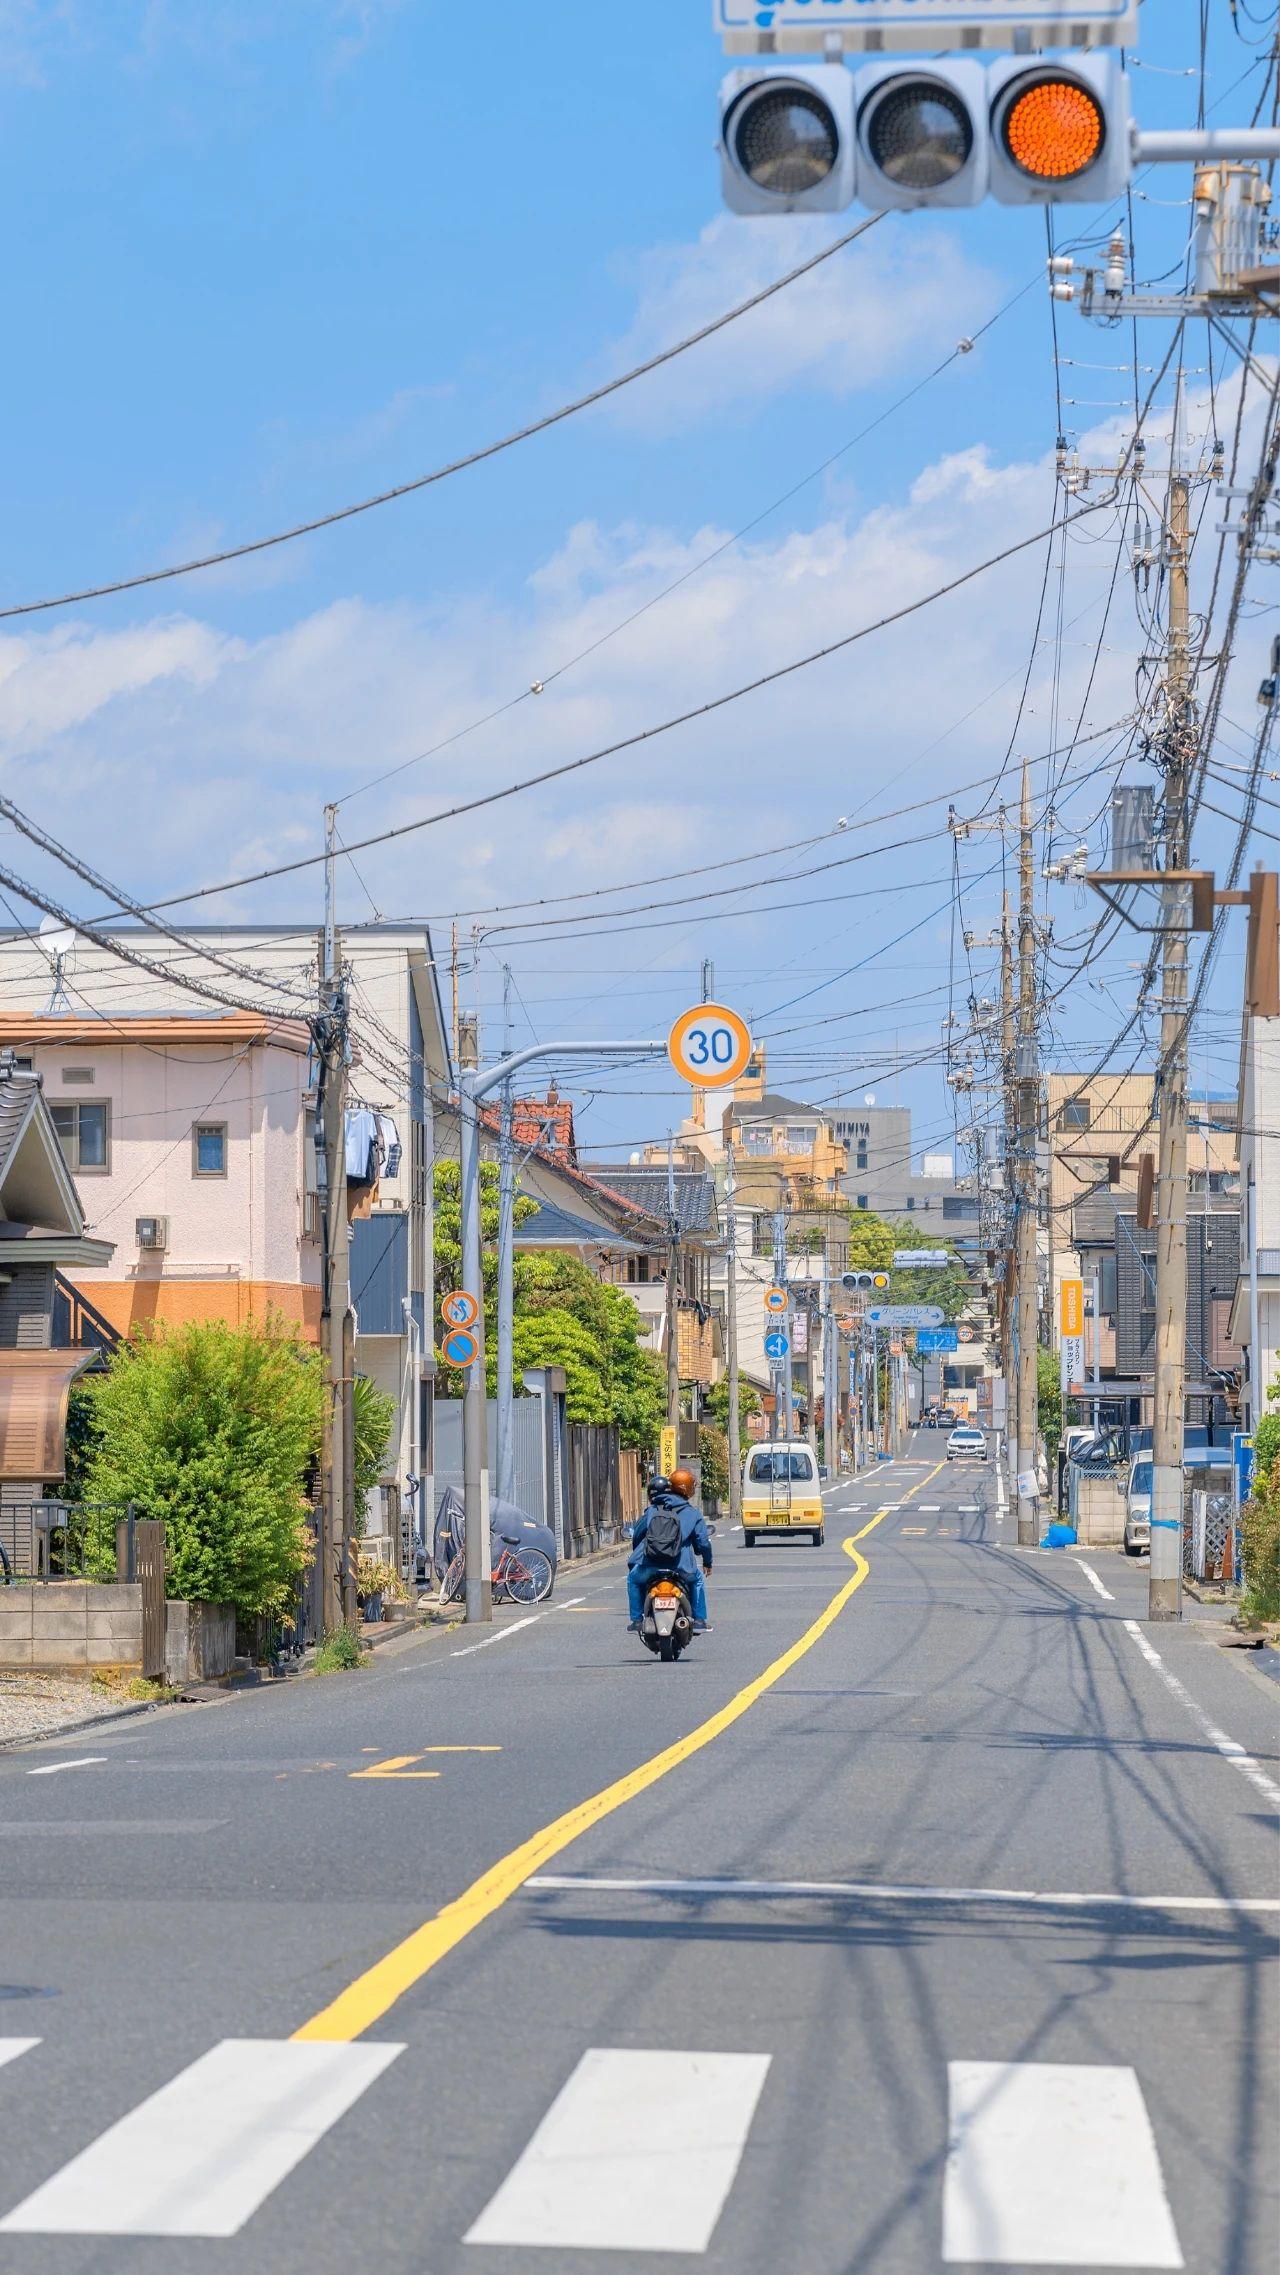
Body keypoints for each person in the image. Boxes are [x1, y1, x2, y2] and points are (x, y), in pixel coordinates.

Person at [627, 1467, 713, 1633]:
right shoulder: (692, 1513)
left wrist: (637, 1556)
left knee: (633, 1580)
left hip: (648, 1566)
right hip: (681, 1567)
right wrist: (707, 1562)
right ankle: (700, 1620)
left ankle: (637, 1620)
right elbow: (703, 1542)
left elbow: (637, 1535)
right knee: (697, 1580)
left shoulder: (653, 1510)